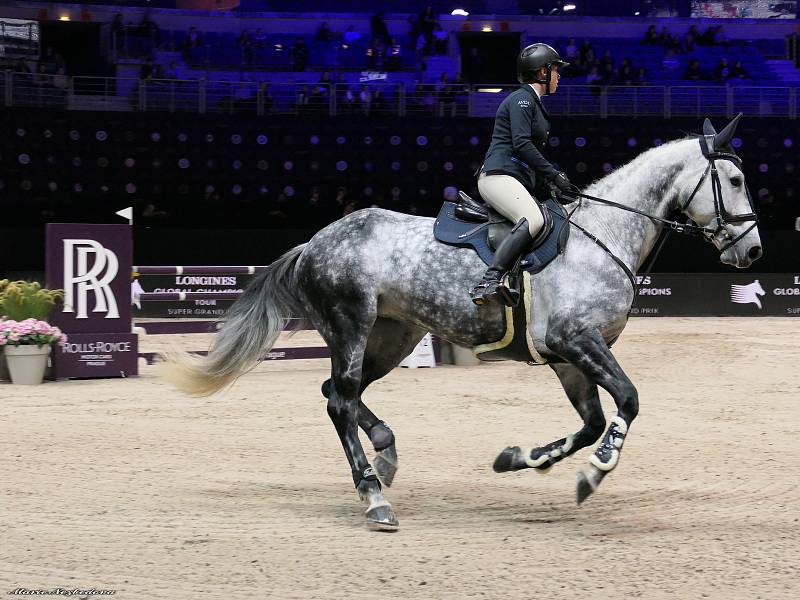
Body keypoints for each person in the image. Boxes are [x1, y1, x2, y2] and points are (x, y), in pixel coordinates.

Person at [469, 43, 575, 306]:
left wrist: (551, 187)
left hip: (513, 177)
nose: (558, 76)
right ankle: (490, 280)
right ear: (542, 72)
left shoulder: (534, 104)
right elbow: (521, 145)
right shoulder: (522, 99)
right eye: (555, 70)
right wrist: (553, 175)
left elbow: (527, 160)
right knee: (533, 219)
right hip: (497, 176)